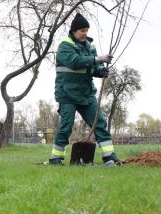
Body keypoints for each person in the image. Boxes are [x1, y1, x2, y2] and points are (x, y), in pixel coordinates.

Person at [49, 13, 120, 165]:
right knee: (66, 125)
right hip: (67, 93)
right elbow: (75, 62)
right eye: (82, 30)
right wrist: (98, 59)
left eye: (87, 30)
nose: (85, 33)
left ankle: (109, 156)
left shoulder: (90, 45)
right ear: (74, 31)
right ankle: (56, 158)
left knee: (99, 122)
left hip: (86, 93)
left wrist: (100, 71)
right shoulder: (65, 45)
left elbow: (93, 67)